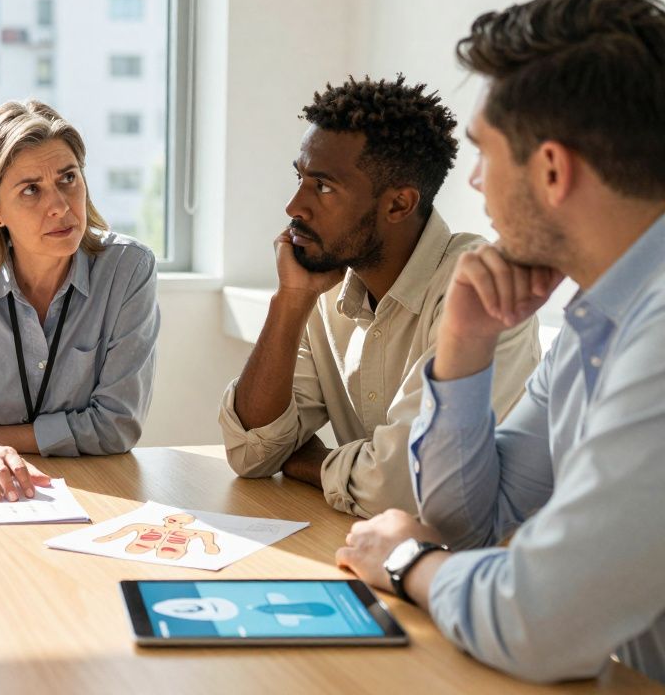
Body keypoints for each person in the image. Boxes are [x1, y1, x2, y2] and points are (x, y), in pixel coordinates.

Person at [336, 0, 665, 683]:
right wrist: (465, 343)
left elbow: (538, 622)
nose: (477, 184)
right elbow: (470, 522)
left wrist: (405, 560)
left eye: (483, 153)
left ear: (550, 170)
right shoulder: (596, 319)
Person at [219, 75, 540, 518]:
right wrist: (290, 301)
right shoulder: (326, 291)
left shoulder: (480, 291)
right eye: (300, 178)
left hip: (482, 565)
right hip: (374, 549)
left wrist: (313, 463)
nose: (295, 206)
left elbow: (408, 488)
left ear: (398, 205)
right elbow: (250, 452)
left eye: (324, 186)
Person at [0, 100, 159, 502]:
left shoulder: (128, 269)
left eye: (68, 178)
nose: (60, 206)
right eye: (31, 190)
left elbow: (117, 426)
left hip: (97, 491)